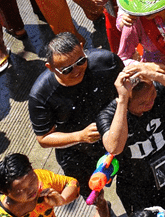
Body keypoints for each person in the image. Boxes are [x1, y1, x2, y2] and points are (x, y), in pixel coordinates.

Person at [27, 32, 123, 217]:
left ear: (82, 47)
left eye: (81, 61)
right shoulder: (41, 95)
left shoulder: (106, 62)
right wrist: (80, 136)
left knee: (134, 178)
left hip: (116, 133)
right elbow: (44, 138)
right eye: (67, 69)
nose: (77, 70)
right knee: (93, 191)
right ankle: (102, 208)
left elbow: (127, 91)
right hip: (77, 150)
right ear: (50, 67)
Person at [98, 62, 165, 217]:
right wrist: (122, 100)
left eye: (152, 95)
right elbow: (114, 148)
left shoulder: (158, 91)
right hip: (139, 190)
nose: (150, 103)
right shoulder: (110, 115)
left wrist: (156, 76)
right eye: (142, 103)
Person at [0, 153, 80, 217]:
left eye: (32, 180)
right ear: (5, 192)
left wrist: (62, 200)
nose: (31, 189)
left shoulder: (41, 179)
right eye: (21, 190)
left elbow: (72, 183)